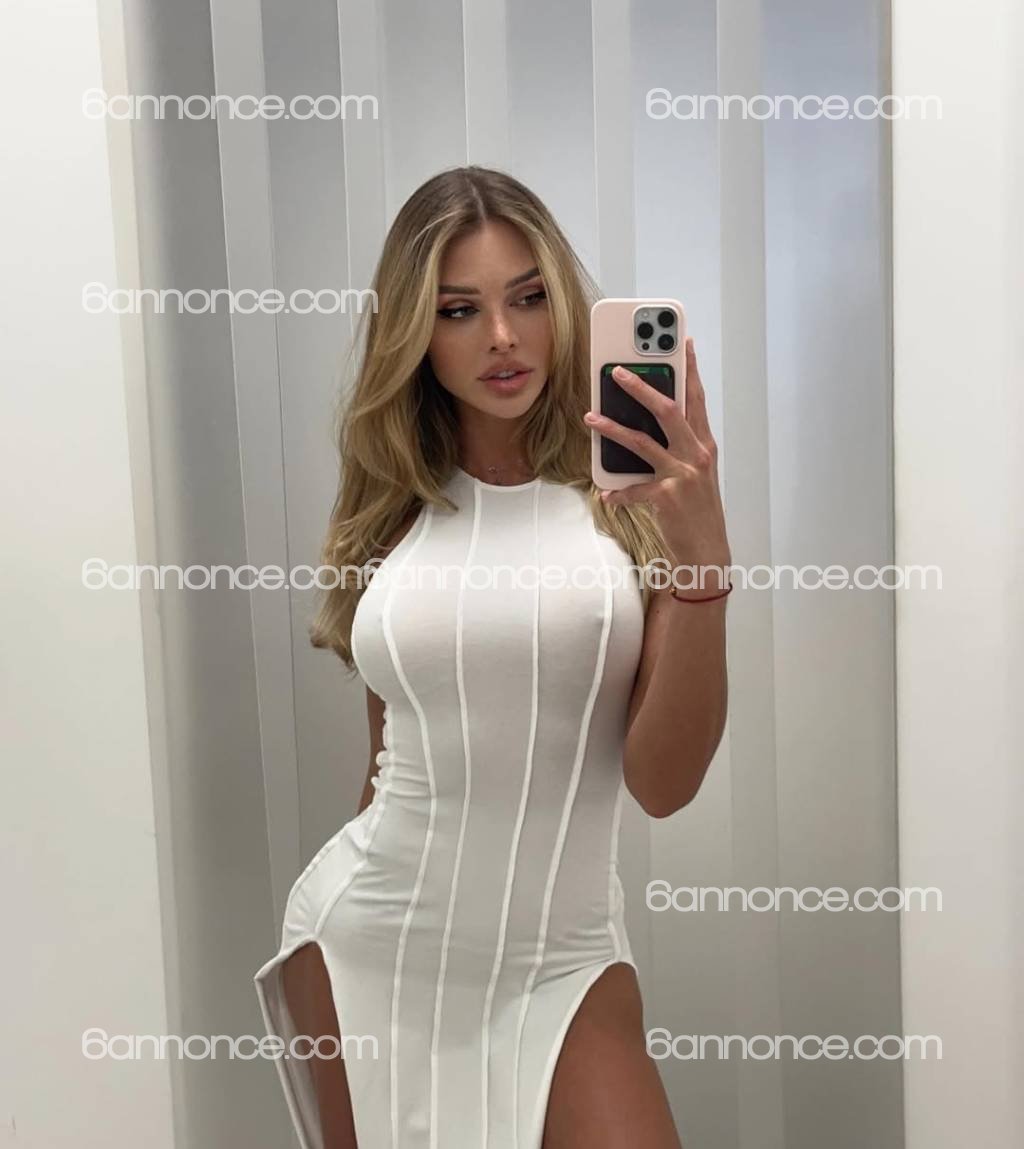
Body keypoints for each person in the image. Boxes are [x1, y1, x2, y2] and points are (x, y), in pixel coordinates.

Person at [253, 164, 731, 1149]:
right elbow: (390, 760)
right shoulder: (390, 511)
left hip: (564, 962)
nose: (503, 336)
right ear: (415, 334)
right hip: (374, 948)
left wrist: (704, 568)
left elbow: (664, 784)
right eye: (459, 309)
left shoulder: (631, 509)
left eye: (529, 297)